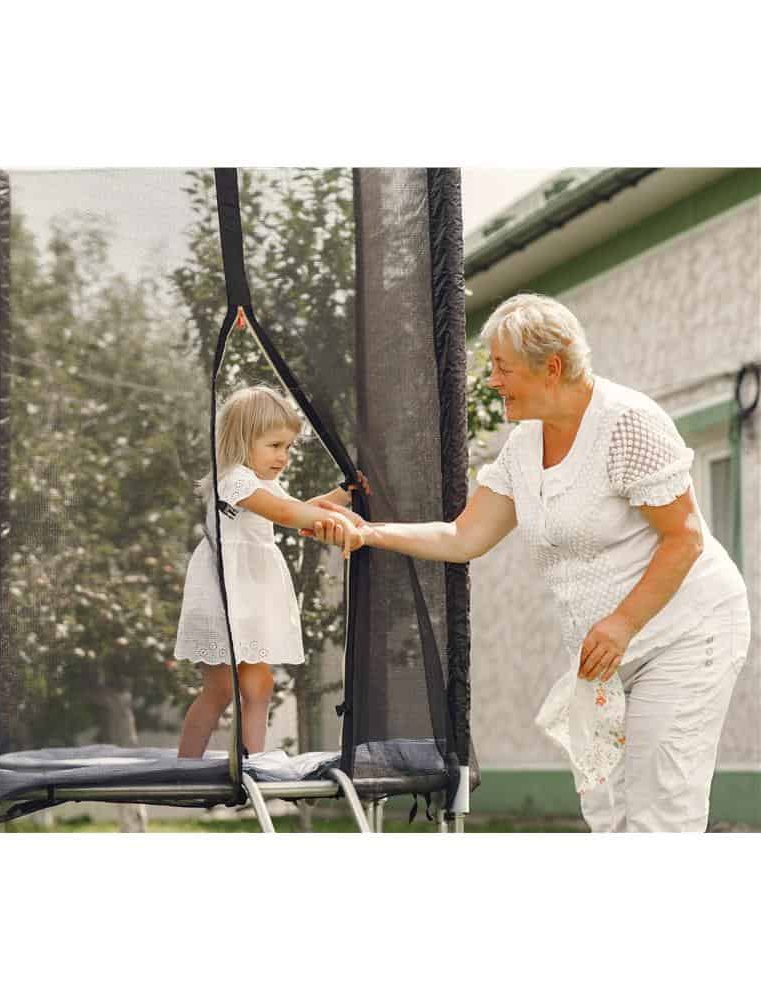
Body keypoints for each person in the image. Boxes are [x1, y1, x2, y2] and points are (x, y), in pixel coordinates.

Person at [304, 293, 751, 832]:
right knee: (608, 814)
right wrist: (368, 532)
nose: (493, 381)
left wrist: (623, 622)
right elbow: (463, 535)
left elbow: (685, 538)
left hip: (684, 635)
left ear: (552, 367)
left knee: (660, 815)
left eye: (503, 367)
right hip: (604, 654)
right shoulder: (524, 446)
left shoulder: (627, 423)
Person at [174, 385, 368, 758]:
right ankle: (187, 764)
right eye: (275, 445)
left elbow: (297, 507)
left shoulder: (262, 483)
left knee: (259, 686)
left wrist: (342, 494)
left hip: (248, 599)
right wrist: (342, 522)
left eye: (288, 447)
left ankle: (254, 762)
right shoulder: (234, 479)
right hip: (223, 598)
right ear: (242, 441)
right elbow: (285, 513)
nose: (284, 456)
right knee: (220, 689)